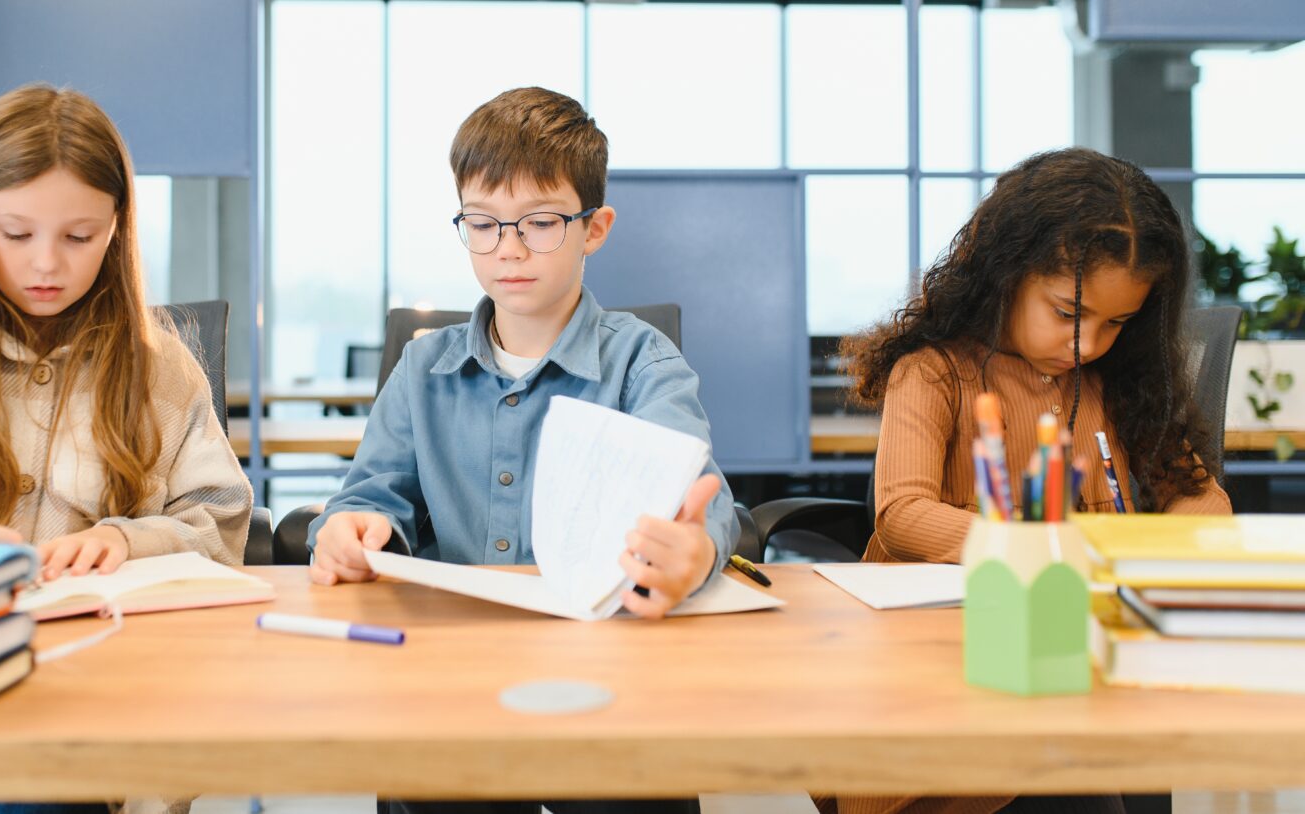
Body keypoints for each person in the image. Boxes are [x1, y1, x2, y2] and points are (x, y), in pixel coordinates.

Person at [310, 86, 737, 814]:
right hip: (450, 684)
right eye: (483, 223)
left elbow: (700, 500)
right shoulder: (423, 369)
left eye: (539, 222)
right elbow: (368, 497)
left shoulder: (643, 362)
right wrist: (351, 530)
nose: (508, 248)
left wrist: (694, 551)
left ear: (593, 227)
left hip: (611, 679)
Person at [818, 146, 1231, 814]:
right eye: (1069, 314)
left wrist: (1152, 554)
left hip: (1072, 655)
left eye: (1116, 323)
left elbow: (1202, 496)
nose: (1089, 344)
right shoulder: (932, 373)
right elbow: (903, 514)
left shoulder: (1117, 386)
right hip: (938, 655)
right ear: (1002, 275)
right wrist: (1031, 553)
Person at [0, 83, 252, 573]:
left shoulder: (162, 370)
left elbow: (221, 523)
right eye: (17, 234)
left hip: (112, 640)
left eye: (79, 236)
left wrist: (128, 541)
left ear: (116, 229)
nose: (47, 263)